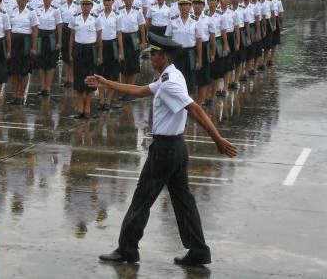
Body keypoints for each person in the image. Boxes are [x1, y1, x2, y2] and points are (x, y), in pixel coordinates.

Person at [88, 32, 238, 266]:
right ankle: (199, 251)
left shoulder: (170, 84)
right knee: (183, 201)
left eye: (153, 55)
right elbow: (139, 90)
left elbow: (195, 109)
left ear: (164, 56)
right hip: (176, 148)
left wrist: (217, 139)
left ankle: (127, 249)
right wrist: (106, 82)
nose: (150, 59)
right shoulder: (170, 75)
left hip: (165, 150)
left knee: (141, 199)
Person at [69, 0, 100, 118]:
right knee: (78, 79)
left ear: (91, 6)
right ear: (81, 6)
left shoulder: (96, 19)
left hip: (90, 50)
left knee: (90, 79)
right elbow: (71, 36)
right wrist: (70, 52)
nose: (86, 7)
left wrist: (99, 55)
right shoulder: (75, 18)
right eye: (84, 4)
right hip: (78, 49)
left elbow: (99, 38)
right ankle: (80, 108)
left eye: (88, 4)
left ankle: (87, 108)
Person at [7, 0, 38, 104]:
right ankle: (14, 94)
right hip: (14, 40)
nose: (20, 0)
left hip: (25, 41)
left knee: (24, 70)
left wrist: (33, 47)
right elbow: (9, 28)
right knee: (14, 70)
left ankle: (21, 94)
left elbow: (35, 30)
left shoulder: (31, 12)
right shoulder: (12, 11)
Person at [35, 0, 62, 97]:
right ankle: (42, 87)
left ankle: (48, 87)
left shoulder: (56, 10)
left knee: (51, 64)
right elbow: (35, 26)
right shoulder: (38, 9)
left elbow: (59, 26)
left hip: (51, 37)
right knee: (41, 64)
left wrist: (59, 41)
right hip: (41, 37)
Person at [96, 0, 121, 109]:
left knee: (113, 74)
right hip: (101, 45)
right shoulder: (98, 15)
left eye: (109, 0)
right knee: (100, 73)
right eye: (105, 1)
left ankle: (108, 101)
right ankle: (101, 100)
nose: (107, 3)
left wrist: (121, 51)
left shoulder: (117, 16)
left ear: (112, 2)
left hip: (113, 45)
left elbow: (119, 34)